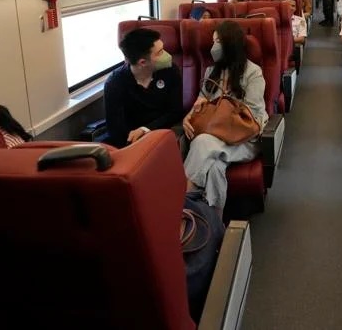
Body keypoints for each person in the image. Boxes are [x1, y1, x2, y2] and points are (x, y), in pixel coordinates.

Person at [182, 20, 268, 214]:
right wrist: (189, 116)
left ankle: (184, 204)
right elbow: (200, 102)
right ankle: (214, 221)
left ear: (231, 44)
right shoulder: (211, 71)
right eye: (213, 42)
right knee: (215, 168)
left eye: (218, 42)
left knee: (202, 142)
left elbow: (252, 116)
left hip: (243, 139)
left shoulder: (253, 72)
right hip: (215, 138)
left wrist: (220, 115)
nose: (214, 47)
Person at [103, 28, 183, 148]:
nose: (167, 55)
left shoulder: (170, 71)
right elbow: (116, 129)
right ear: (143, 62)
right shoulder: (114, 83)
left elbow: (175, 112)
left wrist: (145, 130)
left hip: (164, 131)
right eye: (160, 52)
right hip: (131, 140)